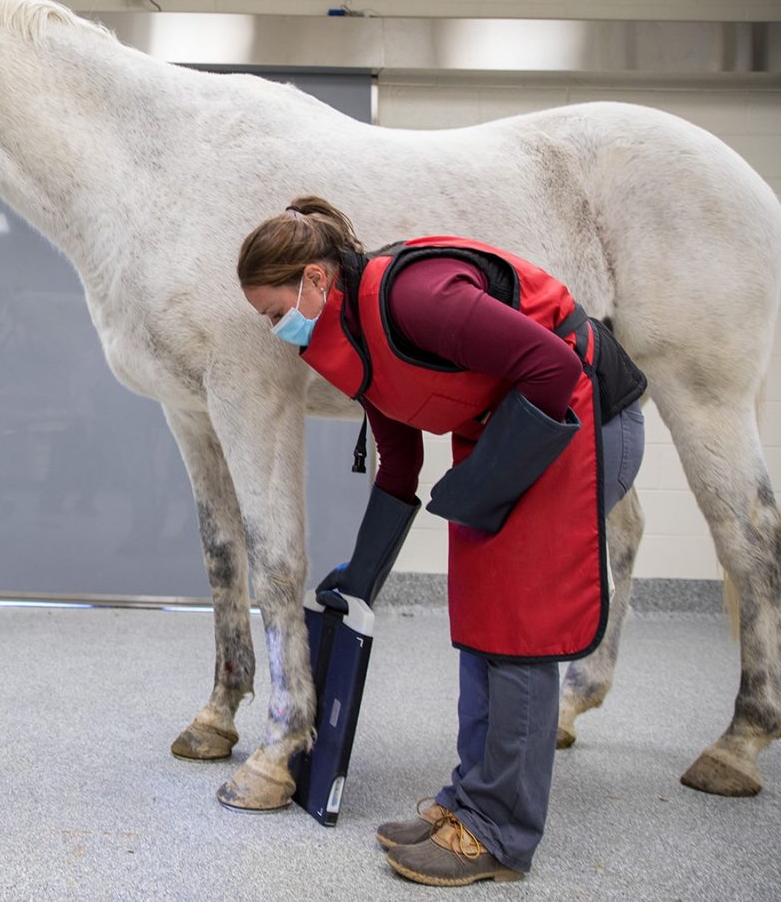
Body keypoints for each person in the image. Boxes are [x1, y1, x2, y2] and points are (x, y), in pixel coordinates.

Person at [238, 196, 647, 888]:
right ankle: (470, 800)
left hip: (583, 417)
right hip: (520, 422)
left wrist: (483, 482)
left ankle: (501, 832)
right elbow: (399, 464)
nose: (277, 328)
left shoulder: (415, 298)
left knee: (515, 621)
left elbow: (553, 368)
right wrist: (360, 575)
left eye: (276, 311)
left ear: (315, 279)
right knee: (482, 609)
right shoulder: (347, 336)